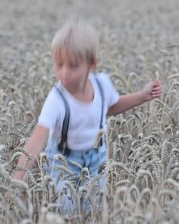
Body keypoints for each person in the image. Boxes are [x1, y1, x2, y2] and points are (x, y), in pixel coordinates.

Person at [13, 21, 162, 213]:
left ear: (91, 65)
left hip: (96, 158)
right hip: (63, 161)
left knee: (94, 208)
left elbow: (108, 107)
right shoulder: (56, 99)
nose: (65, 72)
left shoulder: (102, 85)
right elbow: (37, 138)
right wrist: (18, 177)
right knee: (66, 210)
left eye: (73, 66)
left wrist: (142, 96)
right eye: (59, 65)